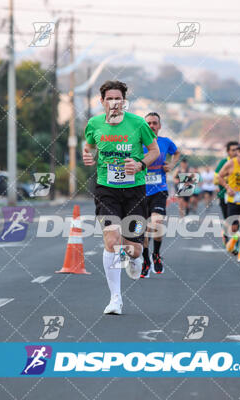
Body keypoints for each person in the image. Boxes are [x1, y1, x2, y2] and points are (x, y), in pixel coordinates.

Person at [83, 80, 160, 315]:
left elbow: (155, 152)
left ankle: (136, 258)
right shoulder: (94, 123)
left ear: (124, 101)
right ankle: (115, 298)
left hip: (135, 190)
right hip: (106, 189)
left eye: (118, 99)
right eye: (109, 99)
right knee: (112, 239)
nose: (114, 103)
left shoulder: (137, 123)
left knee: (134, 249)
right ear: (102, 101)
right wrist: (88, 157)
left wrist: (139, 164)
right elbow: (88, 148)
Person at [141, 112, 180, 278]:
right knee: (141, 229)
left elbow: (177, 153)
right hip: (139, 190)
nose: (151, 126)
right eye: (148, 123)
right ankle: (145, 260)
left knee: (157, 223)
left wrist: (171, 165)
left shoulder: (165, 142)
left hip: (159, 188)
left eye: (154, 123)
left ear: (159, 126)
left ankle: (155, 254)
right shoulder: (137, 142)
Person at [214, 141, 239, 246]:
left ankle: (234, 241)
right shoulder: (224, 162)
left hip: (239, 196)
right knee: (228, 219)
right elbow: (216, 178)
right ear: (228, 152)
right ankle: (226, 234)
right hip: (225, 195)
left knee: (237, 219)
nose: (236, 152)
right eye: (233, 150)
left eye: (237, 150)